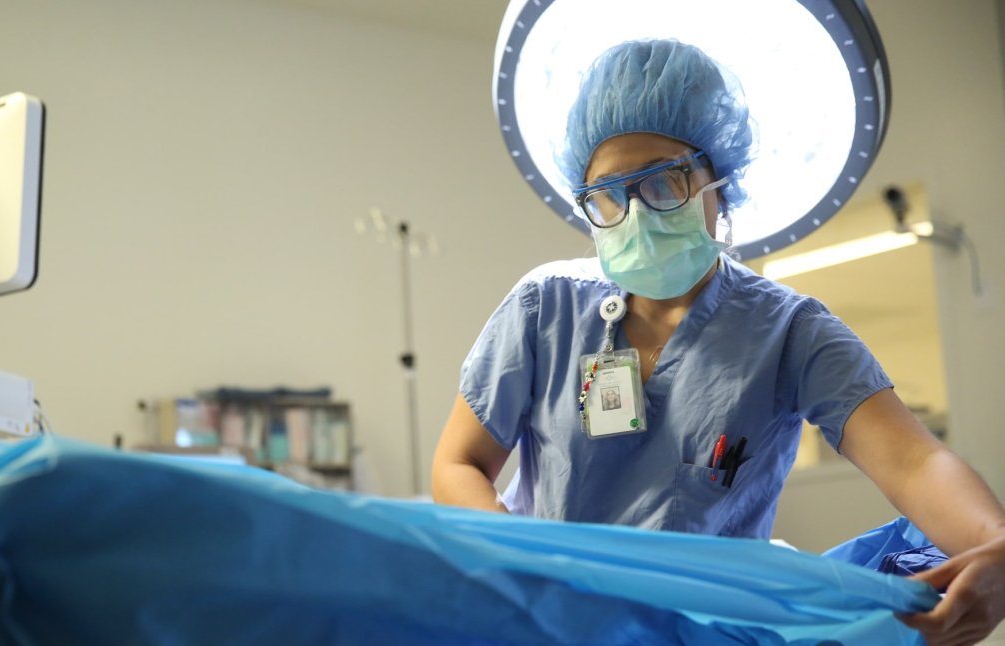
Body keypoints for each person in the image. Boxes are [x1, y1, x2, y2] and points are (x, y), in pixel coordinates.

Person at [430, 38, 1005, 644]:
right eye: (607, 194)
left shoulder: (789, 332)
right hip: (550, 621)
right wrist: (524, 564)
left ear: (718, 184)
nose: (637, 213)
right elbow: (458, 462)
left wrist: (996, 546)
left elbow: (915, 461)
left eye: (664, 182)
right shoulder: (543, 307)